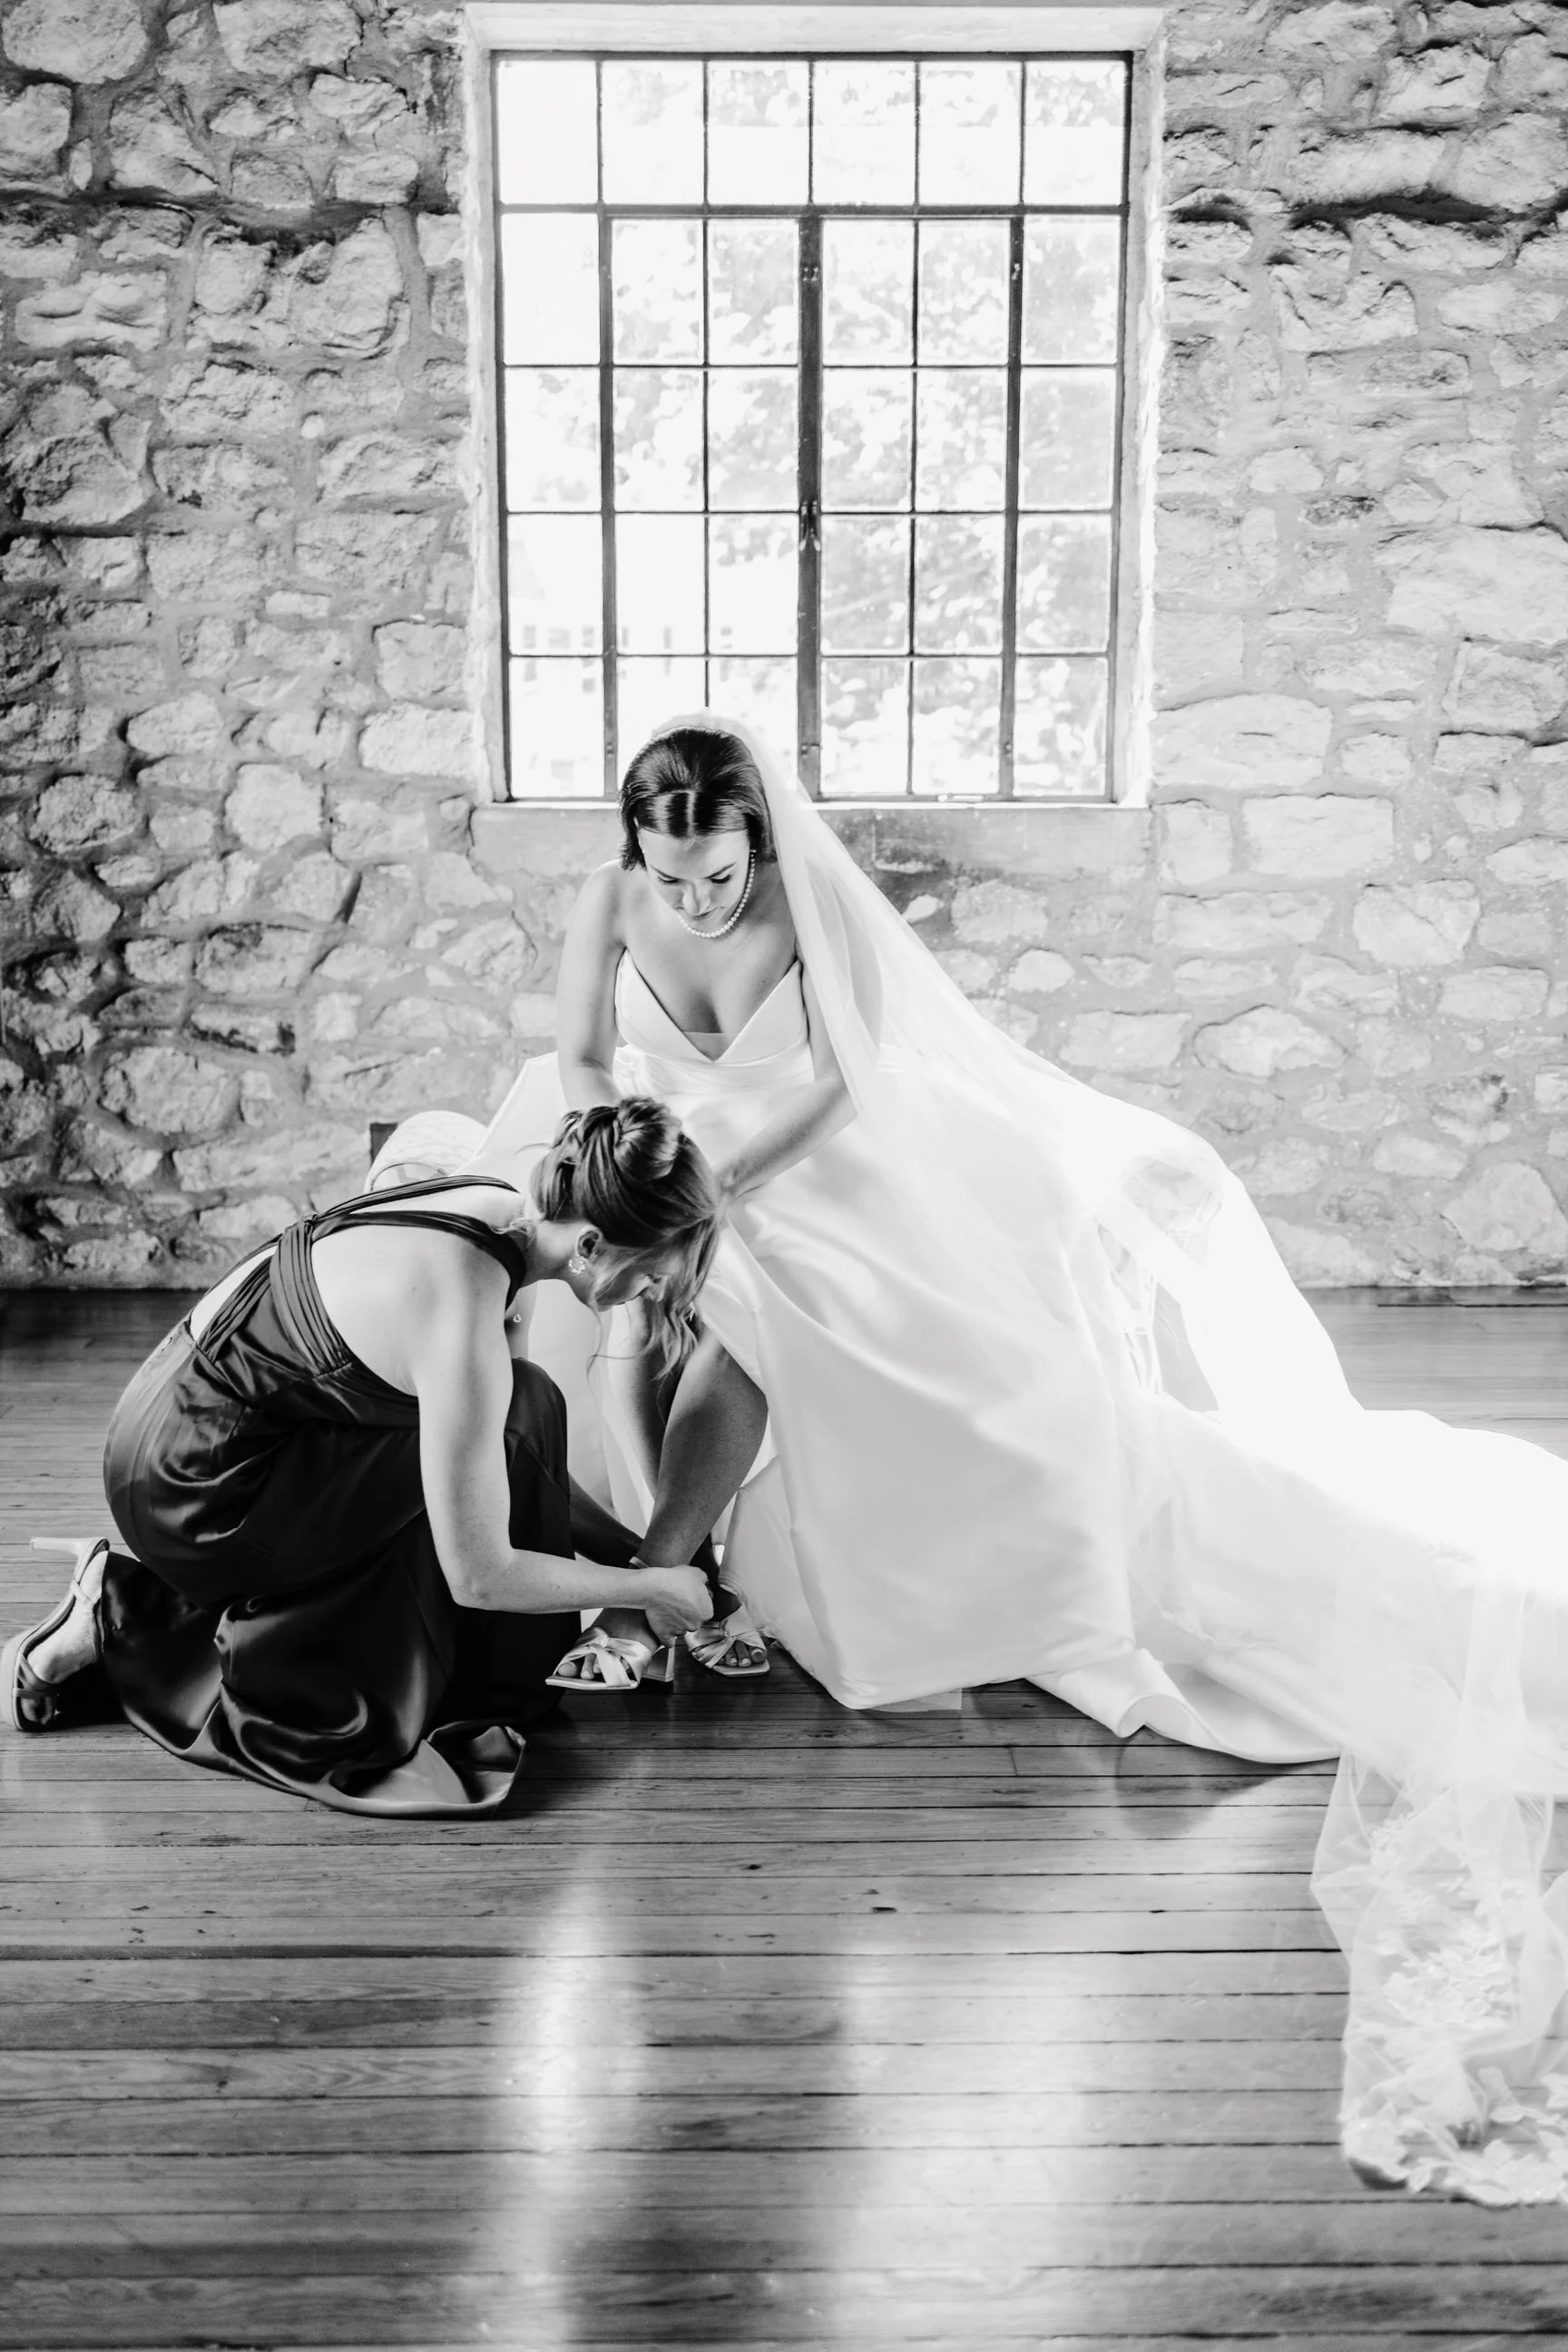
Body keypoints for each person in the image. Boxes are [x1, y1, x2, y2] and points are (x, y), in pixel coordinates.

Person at [459, 712, 1568, 2206]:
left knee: (761, 1300)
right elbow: (584, 1045)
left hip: (793, 1153)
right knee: (592, 1271)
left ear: (755, 843)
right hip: (654, 1139)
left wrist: (724, 1182)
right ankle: (637, 1555)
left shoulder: (806, 906)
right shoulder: (611, 897)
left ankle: (662, 1570)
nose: (698, 899)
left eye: (718, 871)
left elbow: (844, 1074)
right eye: (673, 873)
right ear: (635, 851)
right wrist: (626, 1135)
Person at [2, 1101, 724, 1817]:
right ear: (592, 1246)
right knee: (455, 1523)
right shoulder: (459, 1296)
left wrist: (648, 1558)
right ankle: (123, 1612)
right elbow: (478, 1573)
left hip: (210, 1423)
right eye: (655, 1275)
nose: (653, 1296)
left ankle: (456, 1664)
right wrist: (645, 1595)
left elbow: (514, 1451)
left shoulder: (510, 1214)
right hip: (191, 1486)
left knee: (528, 1401)